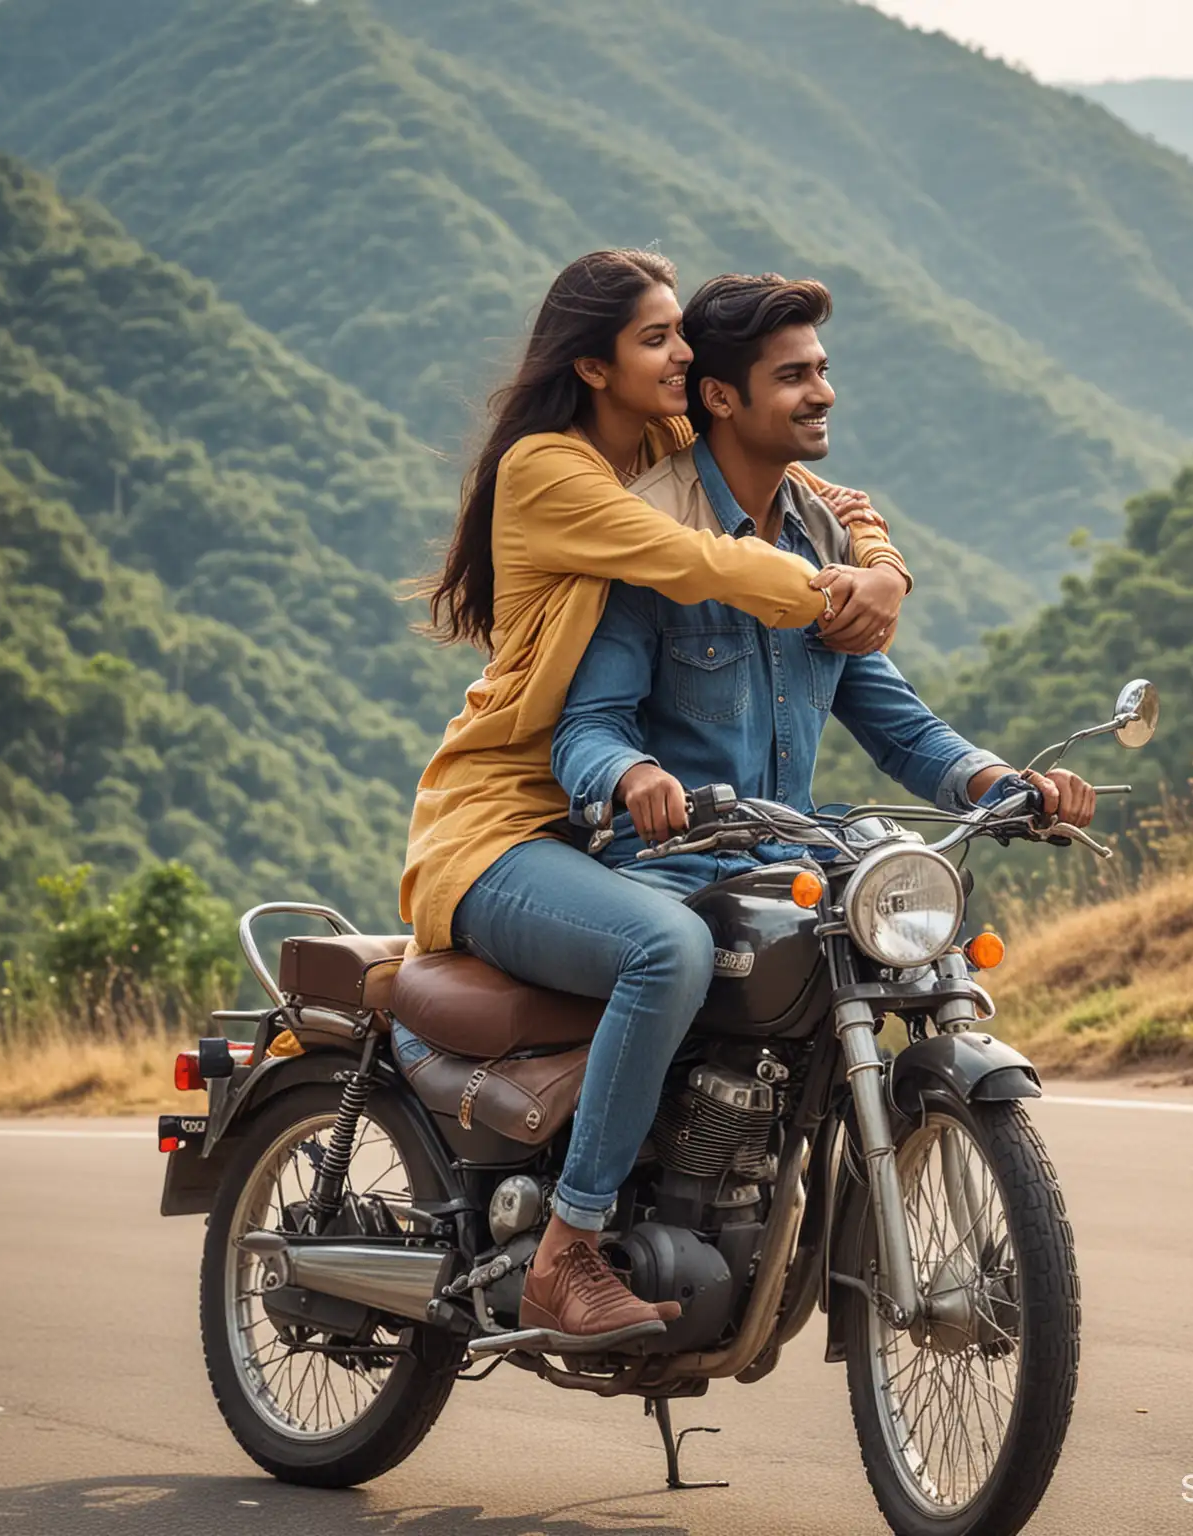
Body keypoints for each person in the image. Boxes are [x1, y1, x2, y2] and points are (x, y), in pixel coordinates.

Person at [402, 250, 912, 1349]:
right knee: (667, 951)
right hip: (508, 821)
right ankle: (568, 1251)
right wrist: (836, 594)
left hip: (604, 825)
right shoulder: (551, 468)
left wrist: (882, 570)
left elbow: (831, 499)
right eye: (656, 340)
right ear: (592, 364)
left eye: (684, 336)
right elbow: (699, 563)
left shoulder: (668, 443)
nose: (684, 356)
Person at [550, 267, 1095, 1015]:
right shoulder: (653, 537)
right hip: (670, 871)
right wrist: (633, 775)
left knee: (915, 968)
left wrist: (1005, 785)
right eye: (794, 376)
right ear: (720, 398)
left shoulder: (824, 535)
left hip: (791, 860)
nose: (824, 393)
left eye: (823, 370)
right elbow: (588, 725)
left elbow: (898, 727)